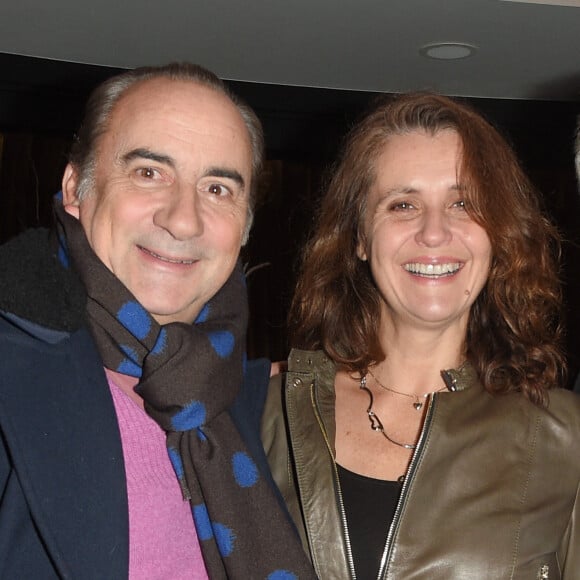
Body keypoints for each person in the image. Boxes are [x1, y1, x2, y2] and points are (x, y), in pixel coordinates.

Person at [0, 63, 315, 579]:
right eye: (149, 173)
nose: (183, 218)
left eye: (218, 188)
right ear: (76, 187)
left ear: (245, 227)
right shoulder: (13, 370)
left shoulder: (263, 405)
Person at [261, 93, 580, 578]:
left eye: (462, 203)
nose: (434, 232)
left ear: (498, 234)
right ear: (360, 239)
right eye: (403, 204)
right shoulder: (267, 413)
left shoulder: (563, 435)